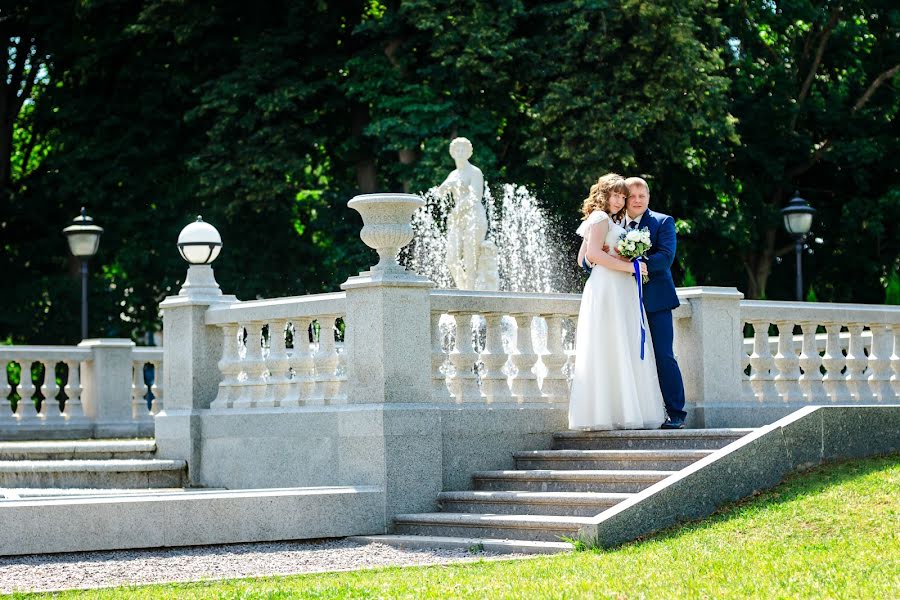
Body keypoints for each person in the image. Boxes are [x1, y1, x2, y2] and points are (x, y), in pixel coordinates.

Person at [568, 173, 667, 430]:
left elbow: (588, 258)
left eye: (623, 196)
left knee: (624, 344)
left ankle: (626, 409)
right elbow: (587, 256)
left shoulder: (615, 220)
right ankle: (605, 413)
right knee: (608, 344)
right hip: (607, 288)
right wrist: (631, 268)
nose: (620, 200)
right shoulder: (599, 218)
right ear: (604, 194)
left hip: (621, 289)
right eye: (616, 195)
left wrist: (624, 260)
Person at [624, 177, 687, 429]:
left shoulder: (662, 222)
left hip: (656, 301)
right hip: (622, 301)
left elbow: (665, 258)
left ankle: (676, 413)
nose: (638, 200)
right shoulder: (614, 223)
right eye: (632, 196)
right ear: (625, 199)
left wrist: (632, 265)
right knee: (624, 357)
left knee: (663, 355)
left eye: (642, 195)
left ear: (648, 197)